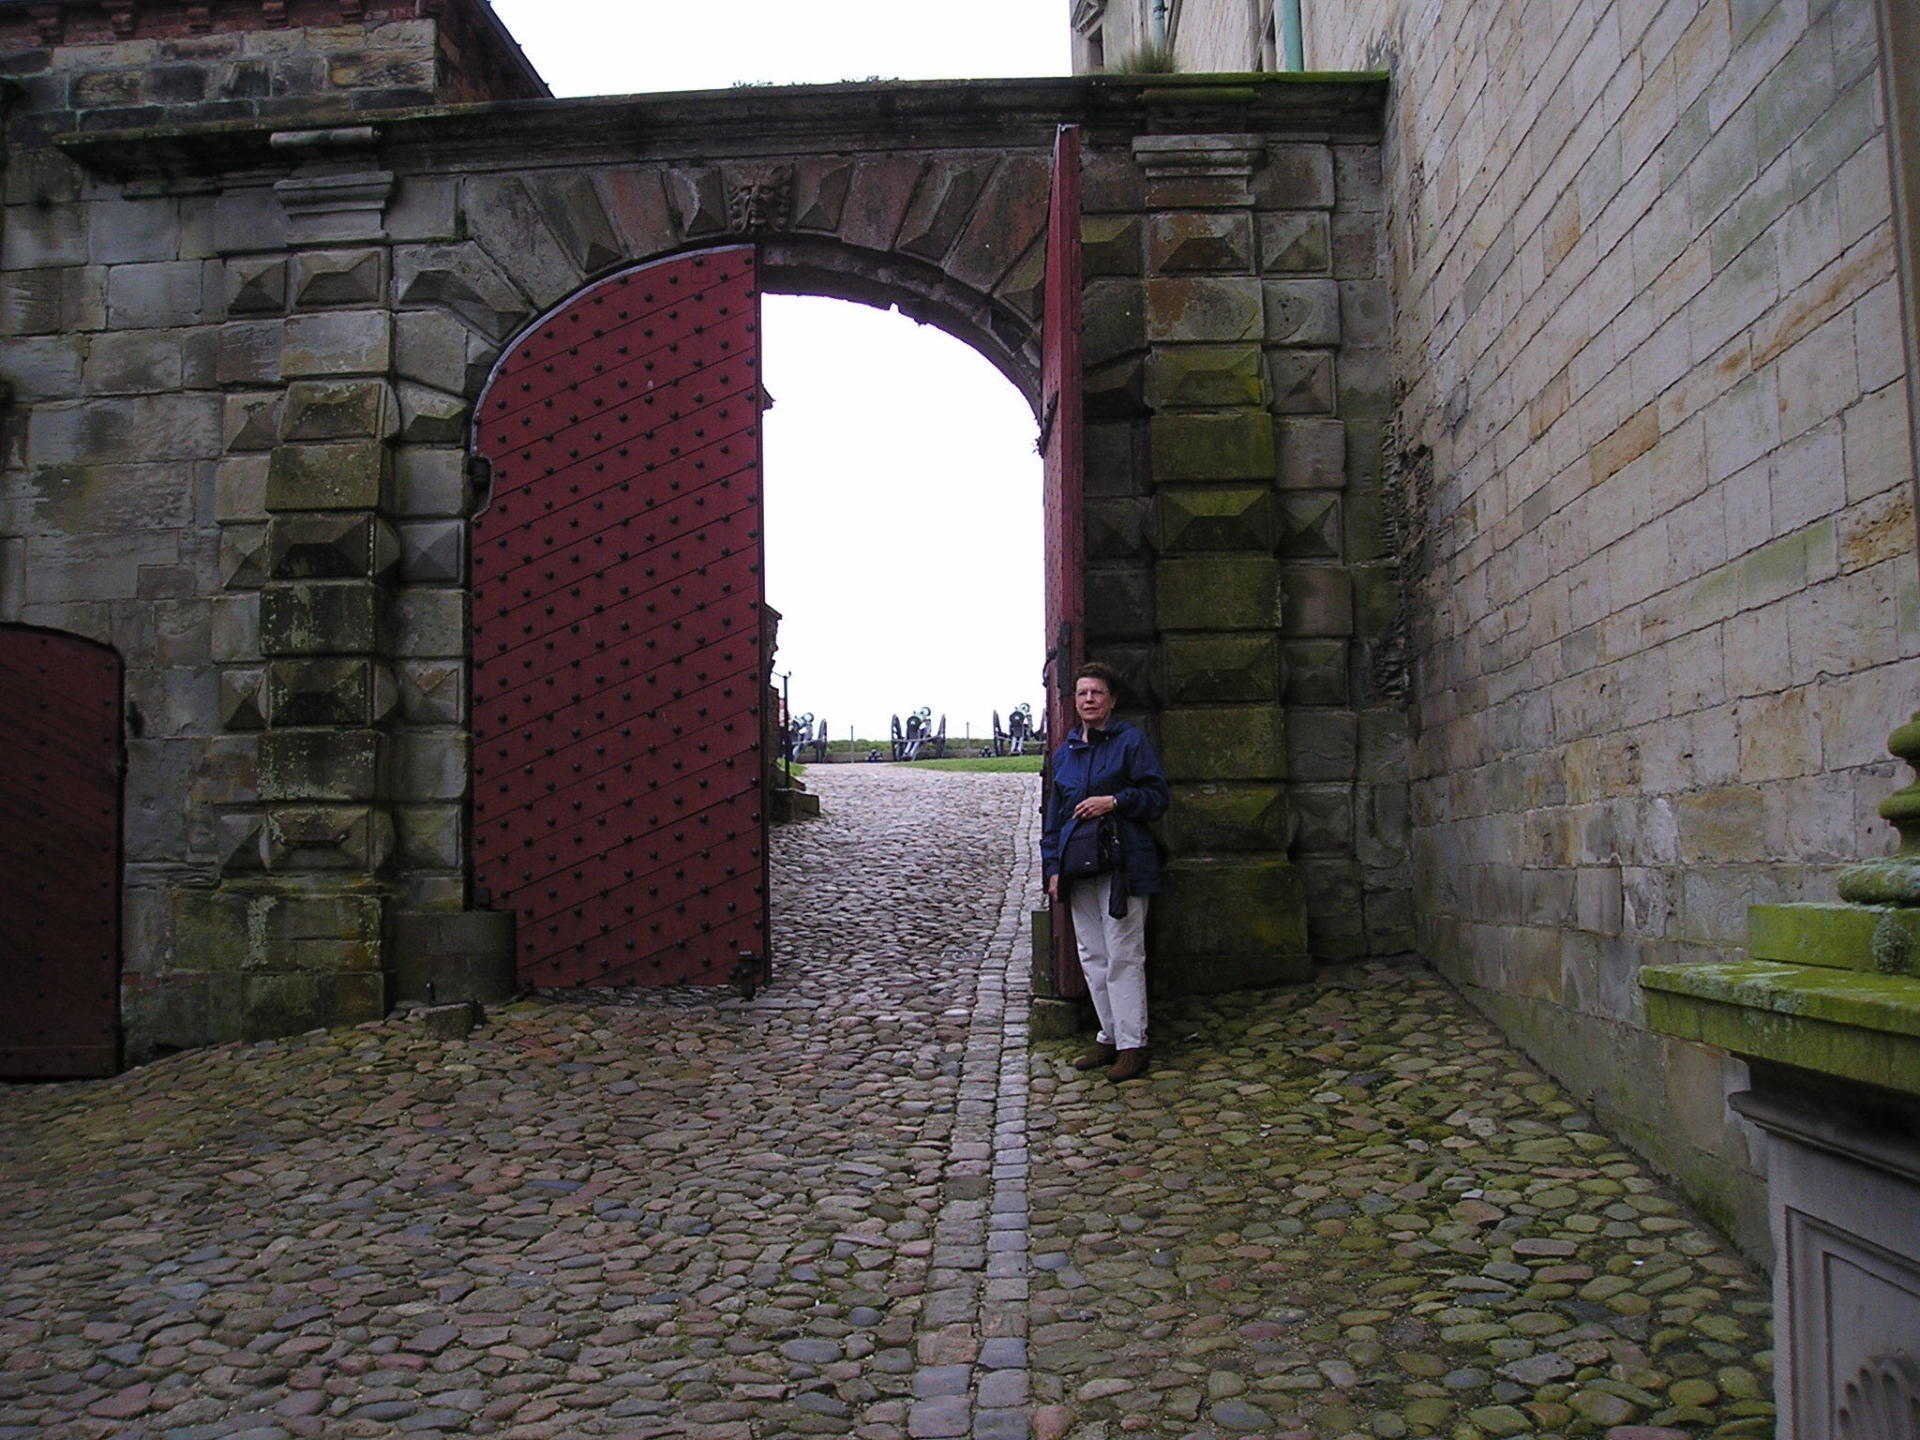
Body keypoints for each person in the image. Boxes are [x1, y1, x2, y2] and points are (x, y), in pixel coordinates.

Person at [1040, 662, 1170, 1082]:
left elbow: (1156, 797)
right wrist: (1053, 866)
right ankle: (1109, 1035)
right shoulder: (1067, 752)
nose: (1089, 700)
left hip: (1124, 864)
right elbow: (1055, 817)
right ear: (1075, 702)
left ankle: (1133, 1044)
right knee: (1092, 956)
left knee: (1123, 955)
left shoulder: (1130, 742)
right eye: (1082, 694)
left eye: (1097, 692)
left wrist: (1113, 801)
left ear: (1112, 699)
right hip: (1079, 867)